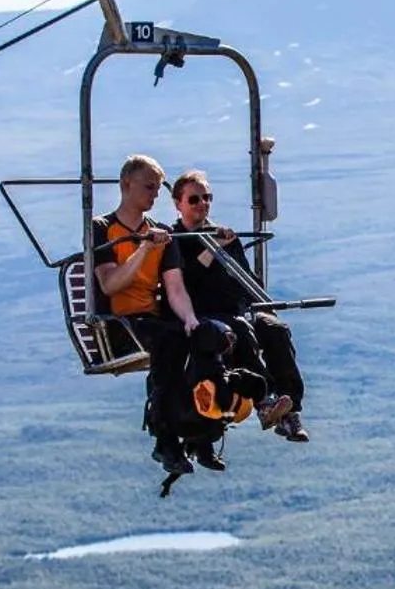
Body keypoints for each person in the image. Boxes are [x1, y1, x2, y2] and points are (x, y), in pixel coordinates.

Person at [169, 168, 311, 443]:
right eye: (194, 199)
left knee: (275, 330)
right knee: (241, 331)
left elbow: (245, 278)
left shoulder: (221, 235)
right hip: (202, 313)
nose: (203, 204)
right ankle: (265, 401)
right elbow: (184, 282)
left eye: (207, 197)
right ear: (178, 204)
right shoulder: (175, 240)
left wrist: (260, 305)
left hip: (235, 307)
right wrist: (213, 248)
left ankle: (291, 408)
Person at [88, 154, 207, 477]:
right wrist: (143, 249)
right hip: (120, 324)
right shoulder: (103, 229)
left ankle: (199, 428)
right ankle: (165, 434)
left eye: (157, 189)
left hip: (153, 321)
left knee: (199, 339)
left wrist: (190, 319)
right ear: (126, 185)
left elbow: (175, 288)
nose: (155, 195)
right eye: (149, 187)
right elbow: (111, 284)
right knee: (168, 342)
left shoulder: (160, 233)